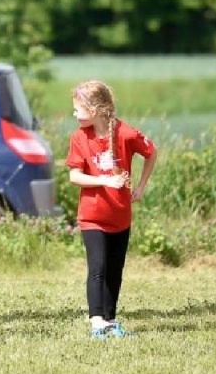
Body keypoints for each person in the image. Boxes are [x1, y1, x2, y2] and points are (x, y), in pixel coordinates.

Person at [65, 80, 157, 339]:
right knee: (98, 267)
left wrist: (140, 186)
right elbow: (74, 176)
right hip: (92, 216)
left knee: (115, 270)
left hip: (120, 216)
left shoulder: (126, 133)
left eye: (77, 109)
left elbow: (151, 153)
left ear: (94, 110)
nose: (74, 114)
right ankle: (96, 323)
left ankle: (110, 320)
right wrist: (104, 180)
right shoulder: (79, 137)